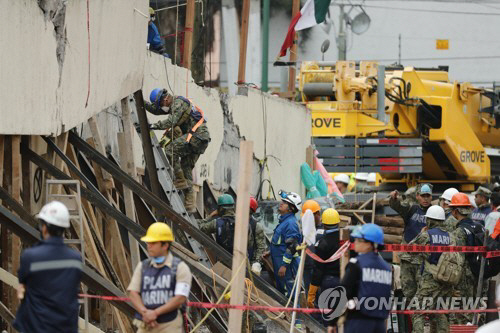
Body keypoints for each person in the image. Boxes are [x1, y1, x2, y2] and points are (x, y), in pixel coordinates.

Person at [13, 201, 82, 333]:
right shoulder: (75, 259)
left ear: (44, 228)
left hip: (37, 327)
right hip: (66, 328)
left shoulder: (31, 256)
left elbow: (22, 286)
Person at [146, 88, 211, 212]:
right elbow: (156, 111)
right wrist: (144, 104)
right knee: (186, 168)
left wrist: (153, 126)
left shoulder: (178, 103)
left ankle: (180, 180)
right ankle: (190, 205)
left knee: (170, 149)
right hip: (201, 139)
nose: (161, 107)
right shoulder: (173, 104)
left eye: (160, 104)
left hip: (197, 136)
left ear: (165, 99)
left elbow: (171, 122)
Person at [128, 222, 192, 332]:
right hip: (146, 323)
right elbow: (133, 293)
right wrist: (145, 313)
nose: (149, 245)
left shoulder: (180, 268)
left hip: (169, 324)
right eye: (148, 242)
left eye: (153, 242)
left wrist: (155, 313)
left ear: (165, 245)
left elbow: (181, 297)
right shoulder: (143, 267)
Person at [409, 205, 454, 332]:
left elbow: (409, 249)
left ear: (430, 220)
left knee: (417, 310)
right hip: (447, 281)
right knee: (441, 312)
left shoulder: (426, 235)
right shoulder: (451, 236)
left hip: (430, 280)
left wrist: (421, 233)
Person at [341, 224, 391, 333]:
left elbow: (344, 291)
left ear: (370, 244)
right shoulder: (386, 268)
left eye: (359, 240)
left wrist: (334, 320)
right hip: (380, 323)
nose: (355, 243)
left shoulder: (357, 263)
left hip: (359, 322)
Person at [198, 194, 266, 269]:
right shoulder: (245, 224)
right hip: (241, 263)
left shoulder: (217, 223)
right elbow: (250, 244)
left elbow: (200, 227)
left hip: (227, 262)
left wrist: (256, 263)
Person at [389, 183, 432, 302]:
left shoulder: (434, 212)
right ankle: (410, 318)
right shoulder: (411, 209)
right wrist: (394, 199)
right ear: (418, 196)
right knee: (408, 291)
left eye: (428, 196)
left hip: (424, 260)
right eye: (423, 196)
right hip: (408, 258)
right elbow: (398, 206)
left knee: (423, 292)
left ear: (431, 197)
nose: (425, 199)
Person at [449, 192, 484, 325]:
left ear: (456, 211)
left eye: (452, 209)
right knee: (478, 305)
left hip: (465, 276)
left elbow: (457, 258)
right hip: (480, 272)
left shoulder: (459, 231)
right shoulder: (480, 226)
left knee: (463, 310)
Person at [307, 208, 341, 332]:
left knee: (328, 317)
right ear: (338, 222)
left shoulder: (323, 243)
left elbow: (318, 269)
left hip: (329, 282)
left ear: (324, 224)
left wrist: (311, 292)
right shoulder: (345, 240)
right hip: (345, 280)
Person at [270, 190, 302, 296]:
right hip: (280, 267)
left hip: (286, 269)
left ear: (291, 208)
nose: (281, 203)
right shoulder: (284, 222)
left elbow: (292, 247)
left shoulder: (291, 224)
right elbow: (281, 242)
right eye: (282, 200)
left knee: (288, 295)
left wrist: (284, 265)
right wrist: (269, 252)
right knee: (282, 293)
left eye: (285, 202)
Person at [302, 199, 323, 292]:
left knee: (319, 293)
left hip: (319, 268)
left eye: (310, 216)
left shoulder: (324, 229)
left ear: (317, 214)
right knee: (308, 292)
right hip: (307, 267)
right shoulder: (304, 230)